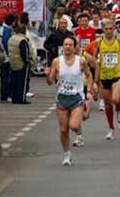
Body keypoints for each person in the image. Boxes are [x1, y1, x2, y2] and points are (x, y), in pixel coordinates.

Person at [45, 37, 94, 165]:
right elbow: (50, 82)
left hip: (76, 97)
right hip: (62, 97)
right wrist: (47, 74)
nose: (67, 47)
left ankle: (85, 111)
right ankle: (67, 154)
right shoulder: (57, 61)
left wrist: (89, 89)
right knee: (63, 129)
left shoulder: (81, 61)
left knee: (74, 125)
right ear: (62, 46)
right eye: (65, 44)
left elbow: (89, 75)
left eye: (70, 45)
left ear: (74, 47)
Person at [93, 19, 120, 140]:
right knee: (107, 104)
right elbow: (94, 56)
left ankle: (119, 109)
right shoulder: (99, 42)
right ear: (103, 30)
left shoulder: (119, 40)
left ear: (114, 29)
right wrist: (97, 62)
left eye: (111, 29)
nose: (109, 31)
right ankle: (111, 128)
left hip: (117, 74)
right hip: (105, 76)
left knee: (115, 99)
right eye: (106, 29)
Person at [7, 24, 32, 104]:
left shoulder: (11, 39)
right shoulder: (23, 40)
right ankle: (21, 99)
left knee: (14, 82)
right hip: (22, 64)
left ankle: (14, 98)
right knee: (22, 83)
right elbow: (25, 53)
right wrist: (28, 61)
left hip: (13, 63)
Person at [0, 14, 17, 102]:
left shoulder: (5, 29)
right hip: (6, 57)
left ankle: (4, 95)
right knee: (6, 77)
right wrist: (10, 54)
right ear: (13, 22)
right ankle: (5, 95)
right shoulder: (6, 30)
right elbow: (6, 43)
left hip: (4, 56)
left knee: (5, 77)